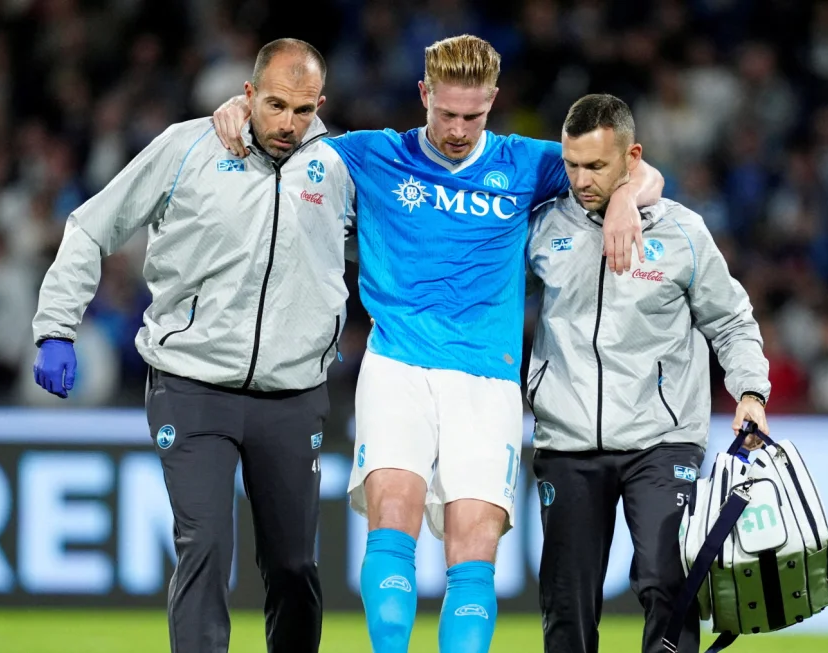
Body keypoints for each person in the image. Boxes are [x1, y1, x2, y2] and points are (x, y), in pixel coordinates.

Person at [213, 35, 664, 653]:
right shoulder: (373, 155)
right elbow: (286, 140)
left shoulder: (527, 163)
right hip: (397, 363)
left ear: (493, 102)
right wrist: (233, 111)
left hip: (488, 378)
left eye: (472, 116)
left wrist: (624, 206)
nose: (457, 129)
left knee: (472, 551)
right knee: (392, 520)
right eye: (446, 113)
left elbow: (638, 169)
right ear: (424, 94)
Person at [31, 39, 354, 653]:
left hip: (292, 396)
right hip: (192, 385)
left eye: (304, 110)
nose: (288, 123)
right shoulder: (187, 147)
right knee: (203, 547)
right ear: (249, 95)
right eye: (277, 105)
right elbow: (92, 225)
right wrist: (56, 326)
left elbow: (393, 247)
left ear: (321, 106)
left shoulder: (338, 168)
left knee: (293, 567)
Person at [524, 94, 771, 653]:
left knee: (669, 584)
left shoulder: (683, 232)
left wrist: (751, 391)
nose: (580, 180)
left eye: (596, 166)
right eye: (572, 165)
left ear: (631, 158)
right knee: (566, 602)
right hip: (568, 439)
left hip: (663, 441)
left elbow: (731, 319)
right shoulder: (540, 229)